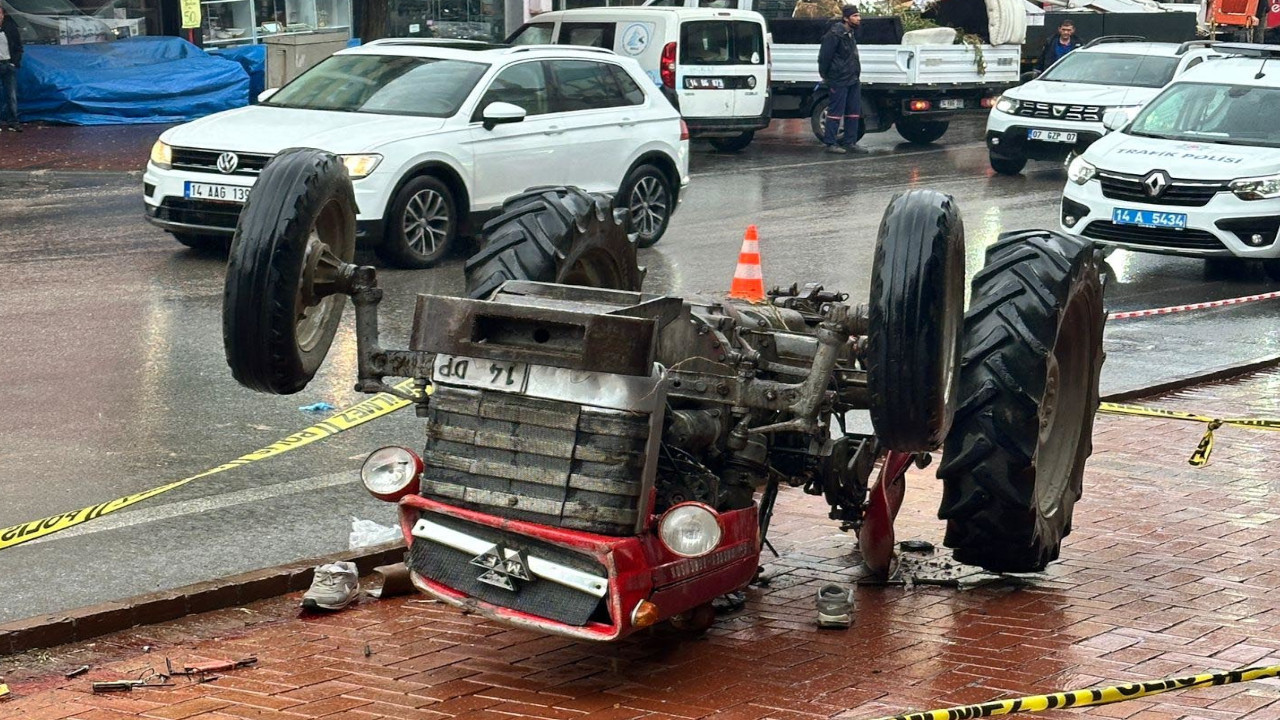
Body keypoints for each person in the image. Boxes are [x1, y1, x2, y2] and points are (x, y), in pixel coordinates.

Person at [818, 5, 864, 154]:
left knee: (853, 112)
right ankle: (830, 143)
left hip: (852, 79)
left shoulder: (850, 34)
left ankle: (850, 142)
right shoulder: (834, 34)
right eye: (855, 16)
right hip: (838, 79)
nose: (859, 19)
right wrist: (827, 76)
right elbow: (824, 58)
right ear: (846, 18)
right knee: (835, 112)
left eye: (858, 15)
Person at [0, 5, 22, 132]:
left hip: (8, 64)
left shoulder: (10, 28)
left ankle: (13, 121)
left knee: (11, 95)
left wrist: (14, 63)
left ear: (3, 15)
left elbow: (18, 46)